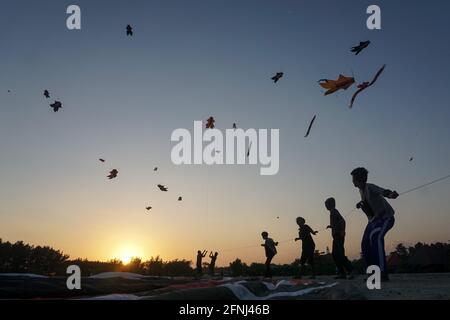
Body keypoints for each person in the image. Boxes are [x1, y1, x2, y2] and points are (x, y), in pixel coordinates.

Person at [351, 167, 398, 281]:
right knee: (365, 243)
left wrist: (391, 194)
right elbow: (368, 201)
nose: (352, 181)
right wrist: (361, 203)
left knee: (376, 238)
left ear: (358, 180)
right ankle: (372, 274)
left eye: (353, 179)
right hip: (373, 221)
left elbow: (382, 191)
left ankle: (382, 274)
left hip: (385, 218)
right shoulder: (361, 191)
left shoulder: (370, 187)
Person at [325, 197, 354, 279]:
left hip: (338, 236)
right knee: (335, 254)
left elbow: (342, 221)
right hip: (335, 236)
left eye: (326, 205)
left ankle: (351, 270)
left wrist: (342, 231)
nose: (325, 206)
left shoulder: (334, 211)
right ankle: (342, 273)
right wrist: (331, 226)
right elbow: (336, 222)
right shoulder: (332, 212)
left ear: (330, 204)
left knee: (340, 254)